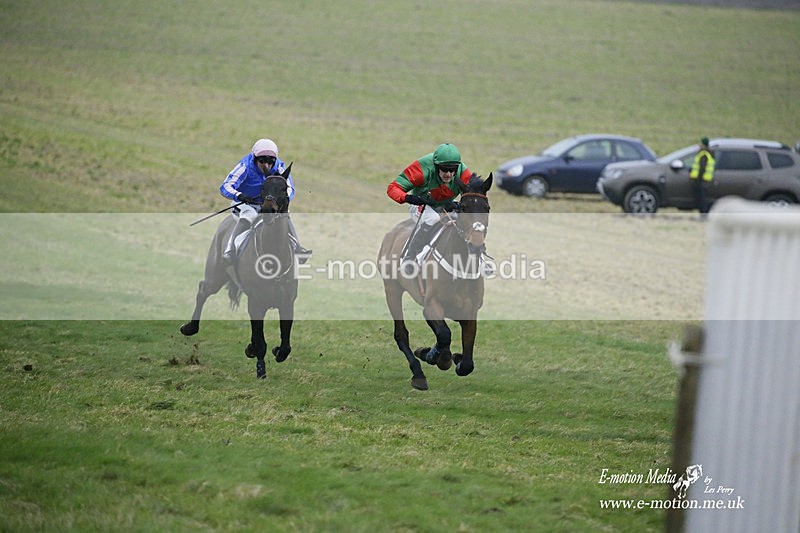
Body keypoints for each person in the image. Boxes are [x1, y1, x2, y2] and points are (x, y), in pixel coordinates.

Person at [387, 143, 475, 272]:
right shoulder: (422, 169)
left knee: (467, 221)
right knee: (432, 219)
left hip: (447, 204)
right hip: (421, 204)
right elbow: (392, 188)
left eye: (453, 170)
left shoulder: (463, 172)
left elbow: (473, 196)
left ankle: (478, 258)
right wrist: (409, 198)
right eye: (445, 169)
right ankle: (410, 257)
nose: (449, 174)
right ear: (436, 166)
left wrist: (461, 205)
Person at [220, 138, 311, 263]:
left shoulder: (279, 166)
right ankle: (229, 251)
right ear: (254, 158)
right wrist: (240, 195)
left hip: (268, 204)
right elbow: (225, 186)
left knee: (285, 214)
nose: (266, 165)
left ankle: (297, 248)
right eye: (262, 161)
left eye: (270, 162)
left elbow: (290, 188)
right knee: (249, 215)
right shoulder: (244, 167)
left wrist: (283, 201)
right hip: (245, 204)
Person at [689, 137, 715, 217]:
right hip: (706, 179)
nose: (699, 145)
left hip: (702, 181)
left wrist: (696, 179)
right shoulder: (710, 153)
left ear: (703, 144)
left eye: (701, 143)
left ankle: (703, 215)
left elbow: (702, 167)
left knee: (702, 200)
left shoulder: (704, 153)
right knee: (702, 199)